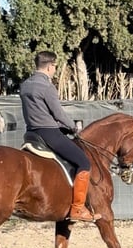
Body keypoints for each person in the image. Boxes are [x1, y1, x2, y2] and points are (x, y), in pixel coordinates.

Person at [19, 51, 97, 222]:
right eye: (55, 66)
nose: (55, 70)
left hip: (31, 134)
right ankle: (77, 208)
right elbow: (58, 113)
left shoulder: (24, 85)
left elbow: (41, 113)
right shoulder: (47, 87)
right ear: (49, 66)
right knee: (84, 162)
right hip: (49, 133)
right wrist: (73, 127)